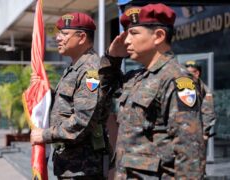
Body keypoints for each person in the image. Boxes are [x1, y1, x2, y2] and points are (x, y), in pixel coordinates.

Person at [103, 3, 206, 179]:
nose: (126, 40)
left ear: (158, 36)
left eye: (133, 33)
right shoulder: (136, 77)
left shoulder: (177, 79)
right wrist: (111, 58)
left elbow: (189, 149)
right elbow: (99, 91)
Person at [30, 12, 115, 179]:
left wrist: (45, 135)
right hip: (72, 165)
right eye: (59, 33)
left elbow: (83, 119)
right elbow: (67, 104)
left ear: (81, 37)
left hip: (84, 167)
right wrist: (46, 91)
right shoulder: (75, 67)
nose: (58, 38)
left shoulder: (91, 70)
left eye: (64, 33)